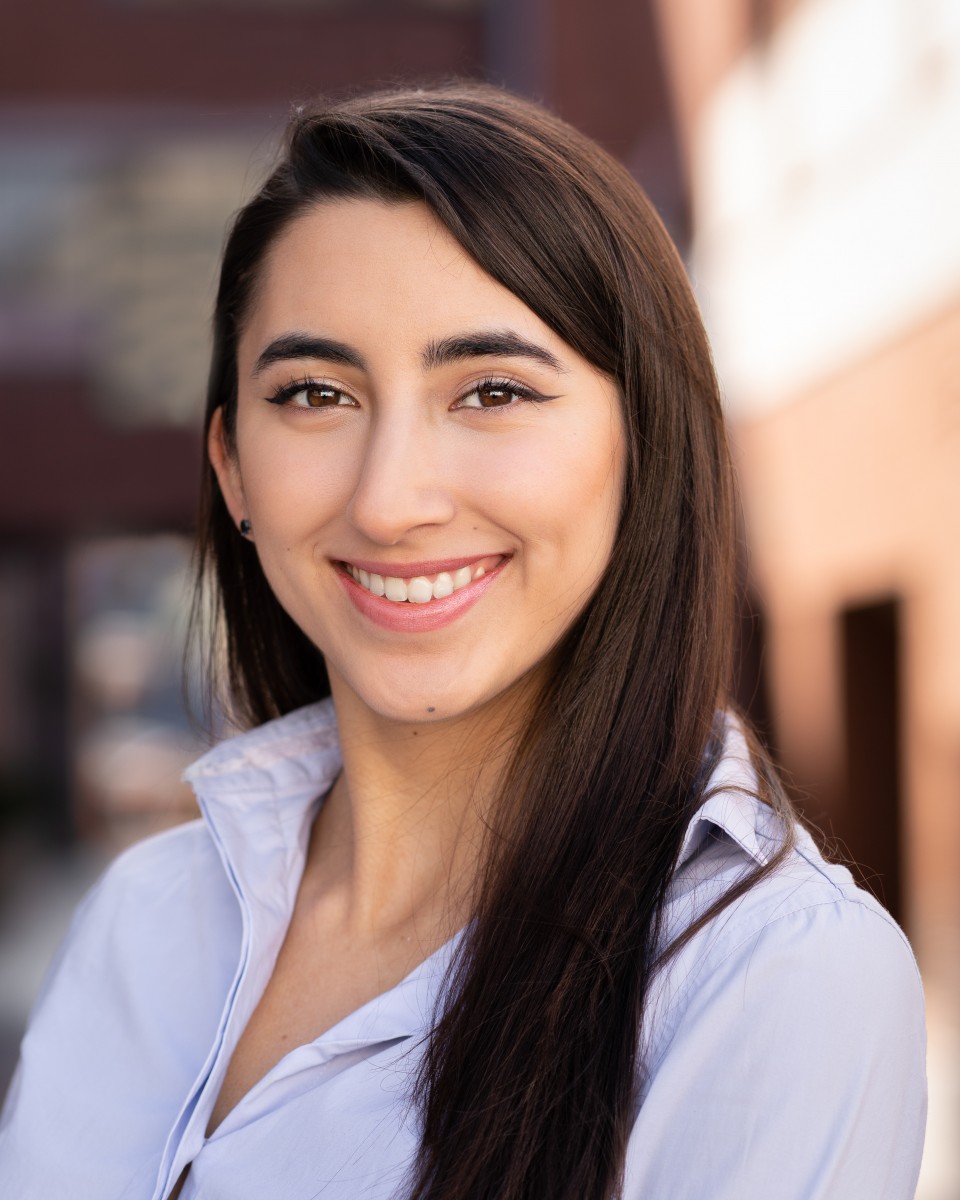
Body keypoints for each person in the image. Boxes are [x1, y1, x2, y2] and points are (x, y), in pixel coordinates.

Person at [0, 83, 925, 1200]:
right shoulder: (143, 918)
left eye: (490, 391)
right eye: (314, 393)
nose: (390, 501)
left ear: (646, 447)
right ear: (233, 467)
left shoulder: (769, 976)